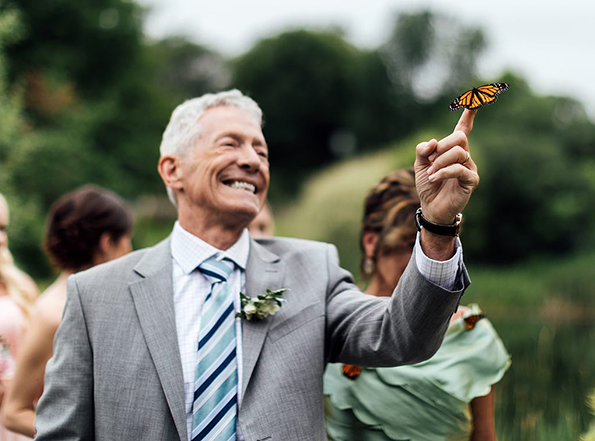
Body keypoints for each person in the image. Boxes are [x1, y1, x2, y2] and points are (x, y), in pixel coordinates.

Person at [36, 89, 480, 441]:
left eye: (261, 152)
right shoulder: (95, 294)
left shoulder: (312, 268)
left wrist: (437, 227)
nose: (251, 160)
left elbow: (402, 338)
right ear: (172, 170)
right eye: (230, 144)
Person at [324, 168, 510, 441]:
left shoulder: (472, 336)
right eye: (408, 243)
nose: (421, 256)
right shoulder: (332, 322)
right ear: (372, 242)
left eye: (435, 241)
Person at [1, 185, 133, 438]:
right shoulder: (54, 312)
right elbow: (14, 412)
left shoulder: (103, 298)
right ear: (107, 242)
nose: (131, 251)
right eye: (128, 240)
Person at [0, 187, 38, 441]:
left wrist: (6, 386)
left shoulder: (21, 287)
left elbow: (45, 360)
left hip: (12, 421)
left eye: (1, 228)